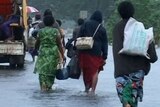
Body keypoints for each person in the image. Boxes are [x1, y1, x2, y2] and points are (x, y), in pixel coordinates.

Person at [112, 1, 158, 107]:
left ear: (120, 13)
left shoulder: (117, 28)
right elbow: (152, 56)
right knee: (132, 101)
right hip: (137, 73)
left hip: (121, 72)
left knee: (126, 100)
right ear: (133, 12)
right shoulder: (140, 27)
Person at [78, 10, 108, 95]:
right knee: (94, 71)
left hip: (84, 51)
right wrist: (105, 55)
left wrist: (76, 49)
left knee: (85, 70)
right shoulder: (101, 28)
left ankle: (86, 89)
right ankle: (93, 91)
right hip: (96, 52)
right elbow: (105, 43)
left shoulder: (85, 24)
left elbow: (79, 36)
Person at [34, 15, 65, 91]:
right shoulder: (55, 31)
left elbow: (37, 43)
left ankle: (43, 88)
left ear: (44, 22)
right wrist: (63, 55)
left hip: (43, 53)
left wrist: (37, 49)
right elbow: (59, 45)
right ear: (53, 23)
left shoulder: (40, 31)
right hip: (53, 53)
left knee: (42, 72)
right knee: (51, 73)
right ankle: (49, 88)